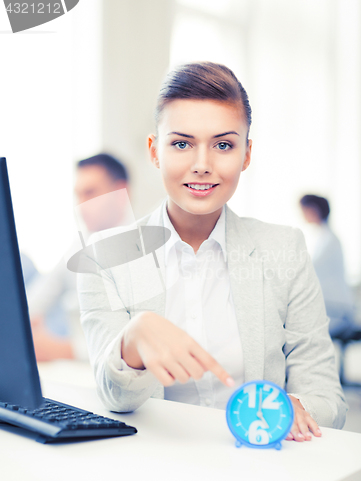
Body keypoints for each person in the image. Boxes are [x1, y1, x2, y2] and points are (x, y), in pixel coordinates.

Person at [78, 62, 347, 443]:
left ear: (246, 154)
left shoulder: (284, 249)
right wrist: (132, 343)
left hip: (262, 467)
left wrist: (294, 407)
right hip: (150, 467)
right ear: (155, 152)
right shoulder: (105, 257)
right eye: (181, 143)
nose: (202, 165)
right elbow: (114, 396)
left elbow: (328, 400)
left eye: (223, 145)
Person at [28, 153, 129, 361]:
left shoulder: (144, 251)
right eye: (79, 195)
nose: (81, 205)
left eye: (90, 193)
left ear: (120, 192)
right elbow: (37, 299)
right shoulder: (79, 247)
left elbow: (131, 344)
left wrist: (62, 350)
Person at [300, 194, 354, 339]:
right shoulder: (322, 237)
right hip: (330, 308)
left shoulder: (329, 240)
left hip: (336, 312)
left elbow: (307, 270)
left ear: (315, 210)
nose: (302, 214)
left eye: (304, 210)